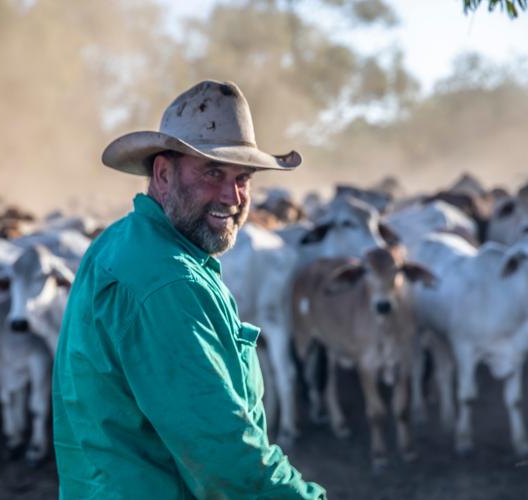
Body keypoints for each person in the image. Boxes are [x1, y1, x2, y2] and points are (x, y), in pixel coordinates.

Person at [52, 80, 326, 499]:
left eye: (243, 177)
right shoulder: (166, 282)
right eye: (212, 172)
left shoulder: (119, 241)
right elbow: (225, 454)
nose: (231, 196)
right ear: (163, 174)